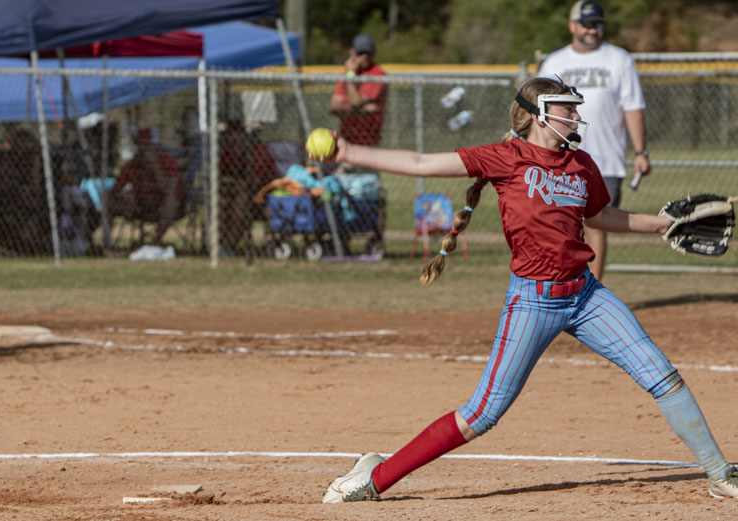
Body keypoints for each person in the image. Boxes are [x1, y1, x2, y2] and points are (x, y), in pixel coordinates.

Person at [314, 77, 737, 502]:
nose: (576, 115)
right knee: (481, 414)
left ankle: (720, 475)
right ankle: (375, 477)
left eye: (575, 108)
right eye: (567, 108)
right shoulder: (506, 158)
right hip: (533, 301)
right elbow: (420, 161)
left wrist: (661, 224)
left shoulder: (581, 164)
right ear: (540, 115)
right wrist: (348, 151)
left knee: (661, 374)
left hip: (586, 296)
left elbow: (600, 216)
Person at [538, 0, 650, 282]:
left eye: (597, 24)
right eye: (587, 24)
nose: (592, 30)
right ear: (572, 26)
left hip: (605, 158)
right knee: (559, 222)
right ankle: (561, 282)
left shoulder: (619, 59)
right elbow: (538, 112)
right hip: (560, 157)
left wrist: (641, 151)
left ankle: (591, 289)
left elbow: (632, 107)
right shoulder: (555, 62)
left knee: (595, 222)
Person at [107, 127, 183, 246]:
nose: (143, 150)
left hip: (163, 204)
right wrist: (125, 196)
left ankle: (155, 242)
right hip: (140, 204)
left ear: (155, 146)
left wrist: (155, 167)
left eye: (147, 145)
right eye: (140, 145)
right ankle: (107, 242)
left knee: (171, 200)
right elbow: (116, 188)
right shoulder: (133, 164)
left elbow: (168, 190)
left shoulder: (168, 162)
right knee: (109, 200)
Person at [218, 121, 280, 255]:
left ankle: (229, 247)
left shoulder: (256, 153)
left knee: (240, 202)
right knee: (221, 202)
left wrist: (233, 186)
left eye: (237, 141)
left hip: (263, 196)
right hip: (234, 193)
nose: (234, 146)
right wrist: (229, 187)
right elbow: (219, 180)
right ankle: (220, 244)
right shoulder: (226, 153)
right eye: (231, 141)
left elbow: (254, 183)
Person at [329, 33, 387, 148]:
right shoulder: (347, 73)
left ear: (374, 53)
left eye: (368, 53)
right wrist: (362, 109)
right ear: (352, 53)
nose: (364, 57)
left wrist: (350, 76)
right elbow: (334, 107)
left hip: (369, 142)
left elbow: (355, 101)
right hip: (346, 140)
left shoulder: (377, 74)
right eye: (360, 53)